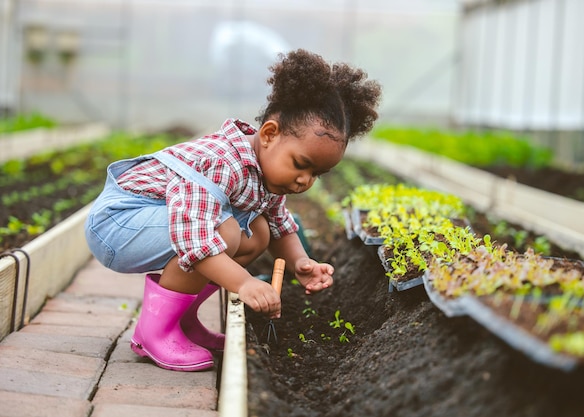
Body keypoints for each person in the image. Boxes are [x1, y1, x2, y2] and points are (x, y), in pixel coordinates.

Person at [84, 49, 382, 372]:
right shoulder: (223, 163)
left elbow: (281, 227)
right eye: (301, 165)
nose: (305, 181)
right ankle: (154, 333)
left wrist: (300, 263)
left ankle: (181, 321)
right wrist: (244, 283)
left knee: (259, 233)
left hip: (152, 221)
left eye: (316, 174)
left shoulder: (266, 176)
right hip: (117, 223)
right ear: (269, 135)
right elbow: (196, 239)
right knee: (222, 232)